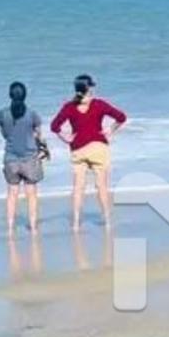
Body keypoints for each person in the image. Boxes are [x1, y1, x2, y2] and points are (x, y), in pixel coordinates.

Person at [50, 74, 128, 230]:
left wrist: (66, 138)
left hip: (78, 149)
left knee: (78, 188)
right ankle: (107, 221)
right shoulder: (99, 104)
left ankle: (76, 223)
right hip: (98, 147)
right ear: (89, 89)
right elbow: (121, 117)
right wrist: (110, 130)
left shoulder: (69, 107)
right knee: (101, 187)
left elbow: (54, 126)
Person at [0, 81, 48, 235]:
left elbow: (4, 134)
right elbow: (38, 134)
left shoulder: (3, 114)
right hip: (29, 158)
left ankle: (10, 227)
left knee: (12, 194)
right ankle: (33, 227)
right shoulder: (32, 114)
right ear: (25, 95)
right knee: (31, 194)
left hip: (11, 157)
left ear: (10, 95)